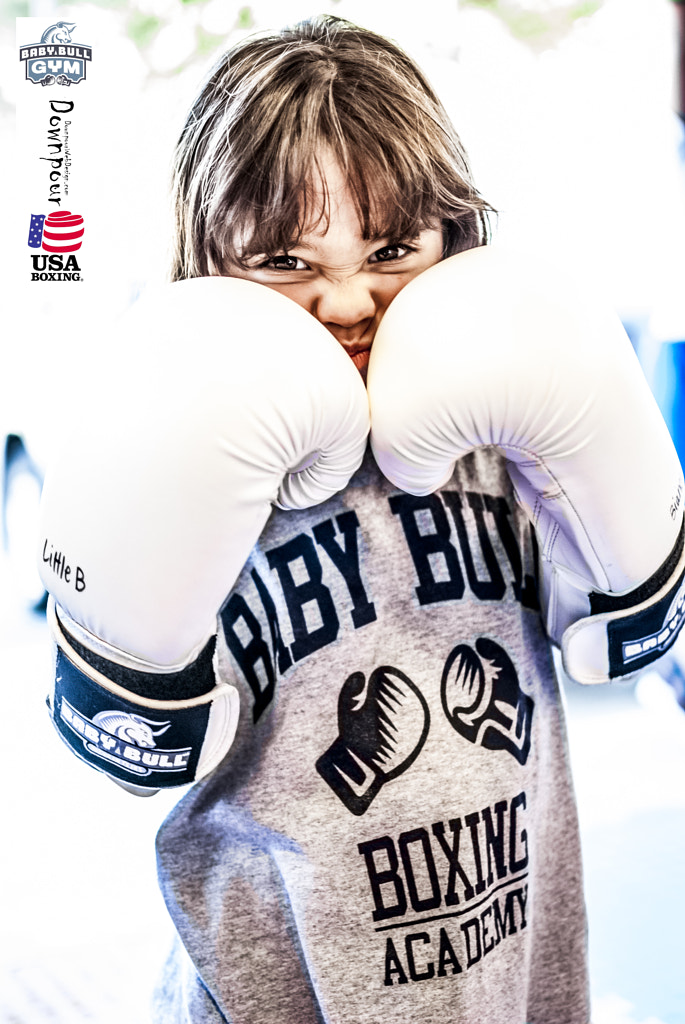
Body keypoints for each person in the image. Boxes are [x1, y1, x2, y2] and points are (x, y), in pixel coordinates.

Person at [37, 15, 685, 1024]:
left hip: (514, 980)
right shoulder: (194, 455)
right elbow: (127, 743)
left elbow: (638, 641)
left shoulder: (515, 434)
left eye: (391, 247)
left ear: (454, 235)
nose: (346, 299)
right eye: (287, 261)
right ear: (209, 256)